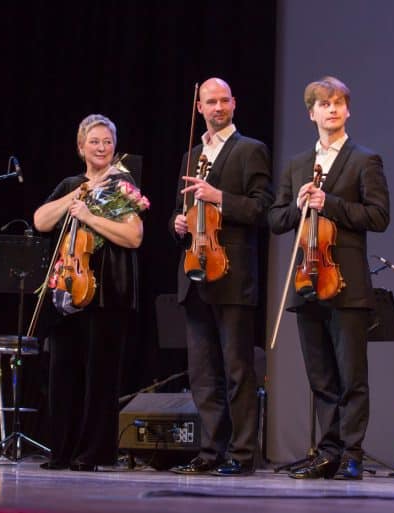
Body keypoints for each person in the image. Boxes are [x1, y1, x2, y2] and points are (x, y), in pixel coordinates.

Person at [269, 76, 390, 480]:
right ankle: (329, 452)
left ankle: (352, 453)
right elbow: (277, 218)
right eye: (324, 104)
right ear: (312, 113)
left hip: (348, 284)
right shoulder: (298, 164)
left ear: (347, 110)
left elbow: (378, 216)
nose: (332, 109)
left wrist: (331, 203)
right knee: (320, 377)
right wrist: (299, 202)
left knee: (351, 375)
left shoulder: (364, 160)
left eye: (339, 103)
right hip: (307, 281)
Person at [169, 78, 273, 476]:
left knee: (237, 371)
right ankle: (210, 450)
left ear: (234, 103)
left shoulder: (250, 150)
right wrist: (175, 223)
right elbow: (179, 209)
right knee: (202, 375)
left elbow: (263, 209)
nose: (217, 107)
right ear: (199, 107)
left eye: (223, 100)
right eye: (209, 102)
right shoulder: (191, 154)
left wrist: (219, 198)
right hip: (194, 274)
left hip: (231, 275)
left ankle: (242, 454)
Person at [33, 114, 144, 471]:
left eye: (107, 142)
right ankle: (61, 451)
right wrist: (73, 200)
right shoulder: (71, 184)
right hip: (67, 290)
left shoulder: (122, 185)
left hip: (108, 292)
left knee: (100, 377)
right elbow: (40, 220)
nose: (101, 147)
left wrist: (91, 217)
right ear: (81, 148)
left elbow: (134, 236)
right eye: (94, 142)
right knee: (62, 374)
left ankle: (92, 453)